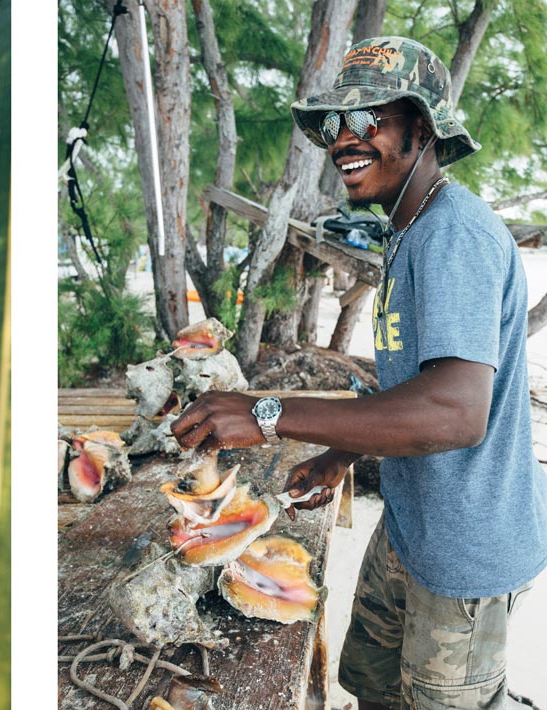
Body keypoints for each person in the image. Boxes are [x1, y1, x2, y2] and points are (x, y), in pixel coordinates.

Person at [170, 37, 547, 709]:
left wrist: (266, 412)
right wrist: (341, 452)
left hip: (466, 549)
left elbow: (454, 413)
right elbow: (412, 388)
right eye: (335, 125)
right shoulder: (410, 226)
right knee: (370, 686)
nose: (344, 139)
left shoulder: (452, 236)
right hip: (411, 523)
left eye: (368, 118)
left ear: (422, 128)